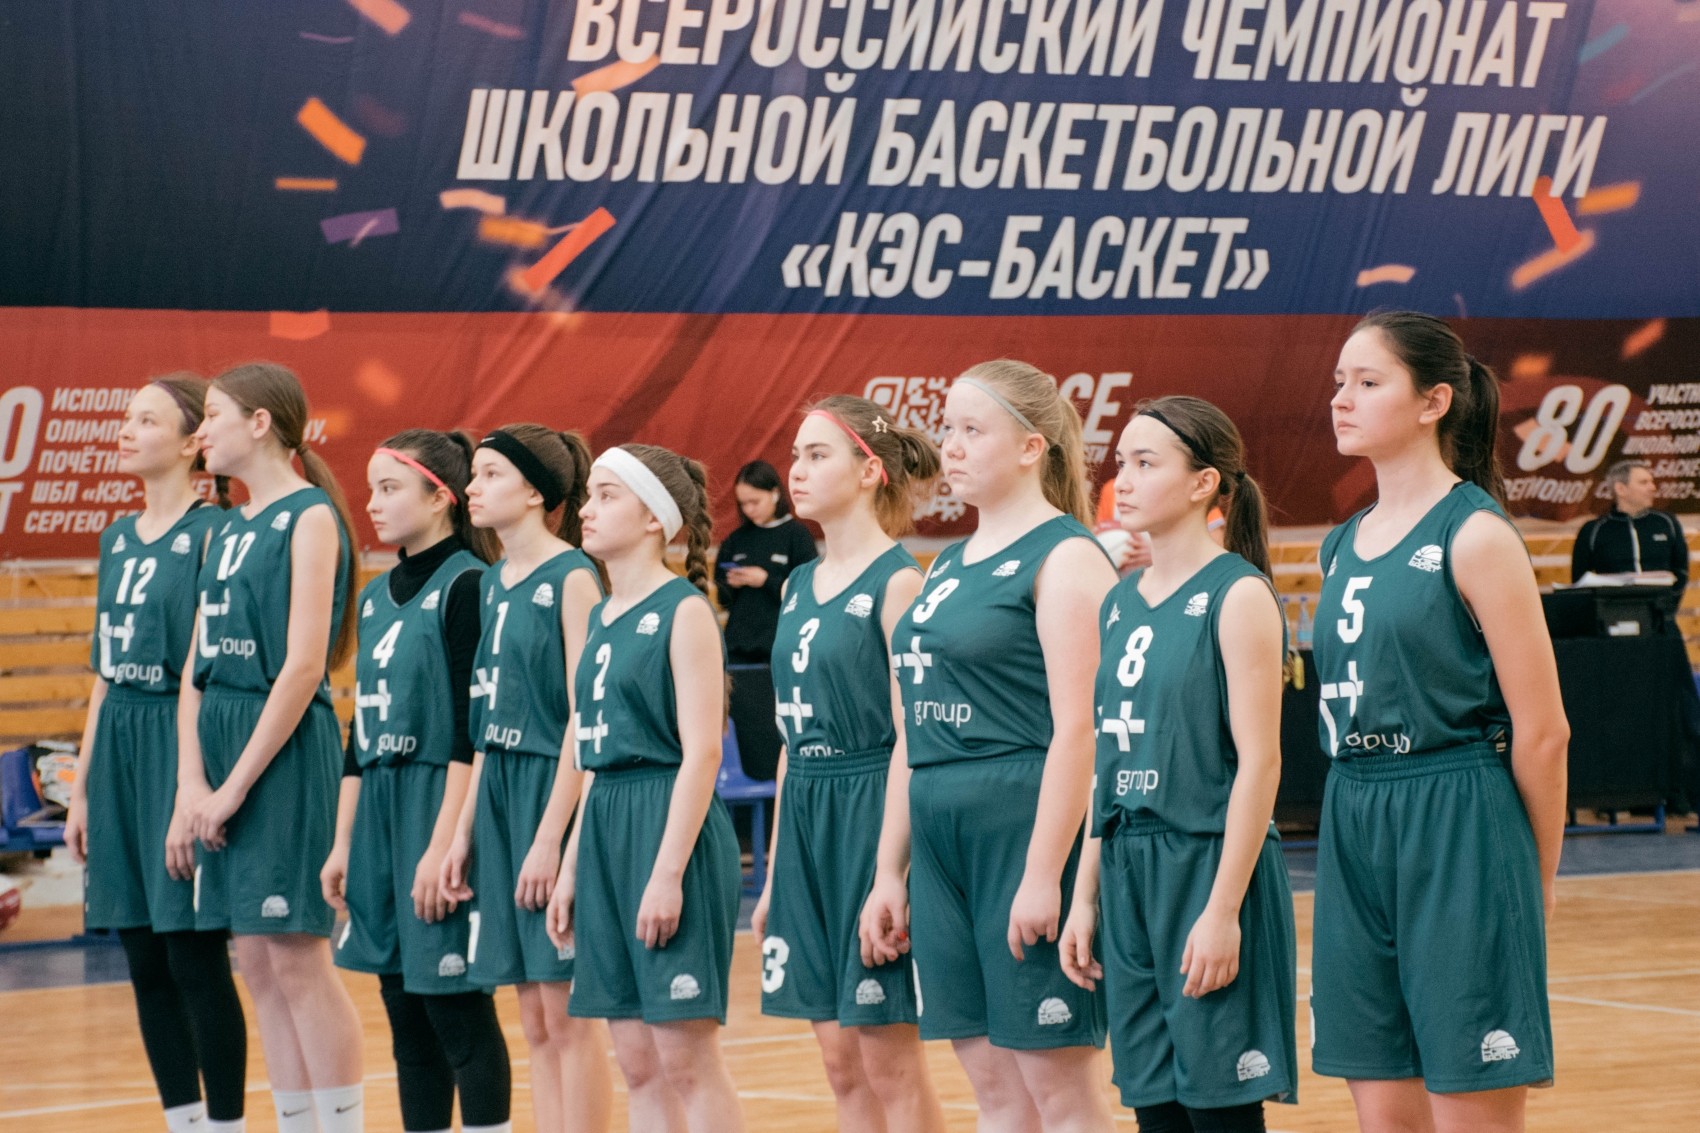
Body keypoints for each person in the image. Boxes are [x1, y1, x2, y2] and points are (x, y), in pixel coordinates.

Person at [1312, 312, 1567, 1132]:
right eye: (1339, 382)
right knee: (1383, 1109)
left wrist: (1535, 873)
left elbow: (1544, 731)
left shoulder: (1477, 534)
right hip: (1354, 808)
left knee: (1471, 1109)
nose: (1342, 399)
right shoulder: (1339, 544)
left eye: (1367, 381)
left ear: (1434, 402)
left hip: (1456, 810)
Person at [862, 359, 1118, 1131]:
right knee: (994, 1090)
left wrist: (1043, 871)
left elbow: (1082, 728)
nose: (952, 445)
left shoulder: (1067, 556)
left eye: (973, 429)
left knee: (1057, 1089)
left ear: (1032, 447)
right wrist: (890, 869)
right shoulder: (945, 564)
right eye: (949, 428)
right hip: (940, 834)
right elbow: (913, 731)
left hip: (1019, 824)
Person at [1061, 397, 1297, 1133]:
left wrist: (1222, 910)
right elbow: (1107, 761)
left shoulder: (1239, 593)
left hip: (1204, 866)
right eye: (1120, 462)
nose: (1123, 481)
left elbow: (1260, 764)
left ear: (1203, 484)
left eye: (1145, 462)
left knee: (1218, 1110)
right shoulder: (1119, 602)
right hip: (1127, 868)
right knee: (1155, 1111)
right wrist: (1085, 895)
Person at [172, 361, 366, 1133]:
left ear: (260, 422)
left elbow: (304, 666)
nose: (201, 431)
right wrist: (192, 782)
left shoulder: (309, 516)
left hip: (279, 750)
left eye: (213, 414)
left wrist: (234, 786)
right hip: (220, 748)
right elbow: (194, 668)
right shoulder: (225, 527)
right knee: (254, 960)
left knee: (295, 955)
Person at [752, 396, 947, 1132]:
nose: (796, 470)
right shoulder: (797, 584)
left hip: (870, 806)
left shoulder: (899, 582)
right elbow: (788, 739)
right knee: (838, 1060)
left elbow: (912, 739)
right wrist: (776, 871)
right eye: (795, 455)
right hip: (807, 810)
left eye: (816, 454)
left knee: (886, 1057)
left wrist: (891, 870)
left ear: (869, 471)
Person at [65, 375, 248, 1133]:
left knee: (191, 956)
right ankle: (185, 1122)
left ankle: (228, 1124)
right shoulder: (115, 536)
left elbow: (208, 675)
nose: (126, 429)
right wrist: (81, 789)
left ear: (189, 443)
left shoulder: (216, 534)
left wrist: (187, 789)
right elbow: (105, 675)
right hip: (117, 747)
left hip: (178, 740)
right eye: (127, 416)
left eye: (146, 419)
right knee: (141, 957)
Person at [320, 430, 513, 1133]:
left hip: (437, 805)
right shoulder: (375, 597)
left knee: (456, 1012)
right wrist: (343, 842)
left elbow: (471, 729)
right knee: (405, 1021)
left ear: (441, 498)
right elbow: (358, 736)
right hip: (379, 812)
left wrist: (444, 842)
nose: (372, 503)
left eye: (389, 488)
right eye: (371, 488)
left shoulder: (468, 585)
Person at [552, 443, 746, 1133]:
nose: (587, 509)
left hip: (667, 824)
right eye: (590, 495)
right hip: (606, 822)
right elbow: (592, 757)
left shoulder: (684, 610)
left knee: (684, 1057)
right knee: (635, 1061)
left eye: (607, 495)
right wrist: (571, 867)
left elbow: (702, 753)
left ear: (653, 520)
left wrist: (667, 875)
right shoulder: (601, 616)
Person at [438, 425, 613, 1133]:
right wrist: (461, 832)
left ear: (536, 492)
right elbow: (487, 725)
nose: (473, 488)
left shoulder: (572, 576)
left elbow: (583, 719)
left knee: (567, 1014)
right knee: (533, 1016)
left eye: (490, 474)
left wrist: (549, 838)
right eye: (473, 474)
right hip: (499, 794)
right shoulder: (492, 582)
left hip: (551, 793)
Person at [716, 461, 819, 780]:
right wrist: (729, 584)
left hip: (778, 652)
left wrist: (767, 581)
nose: (749, 510)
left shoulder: (797, 537)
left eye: (755, 501)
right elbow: (723, 597)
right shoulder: (736, 539)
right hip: (739, 652)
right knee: (743, 733)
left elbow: (809, 593)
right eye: (743, 503)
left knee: (775, 734)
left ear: (775, 493)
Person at [1571, 460, 1687, 592]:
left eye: (1652, 482)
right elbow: (1579, 581)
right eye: (1644, 482)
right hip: (1612, 603)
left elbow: (1681, 571)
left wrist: (1668, 602)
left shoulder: (1666, 522)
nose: (1653, 487)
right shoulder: (1593, 530)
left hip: (1660, 603)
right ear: (1620, 489)